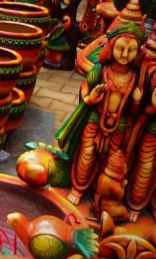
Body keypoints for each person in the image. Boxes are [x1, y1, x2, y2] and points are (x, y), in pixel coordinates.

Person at [56, 22, 145, 207]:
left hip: (119, 123)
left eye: (131, 50)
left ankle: (101, 193)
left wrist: (136, 100)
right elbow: (85, 88)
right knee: (87, 153)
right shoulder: (101, 69)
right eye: (120, 48)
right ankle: (78, 188)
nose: (125, 55)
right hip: (96, 117)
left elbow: (132, 111)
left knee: (112, 158)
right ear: (111, 47)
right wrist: (90, 98)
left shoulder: (135, 76)